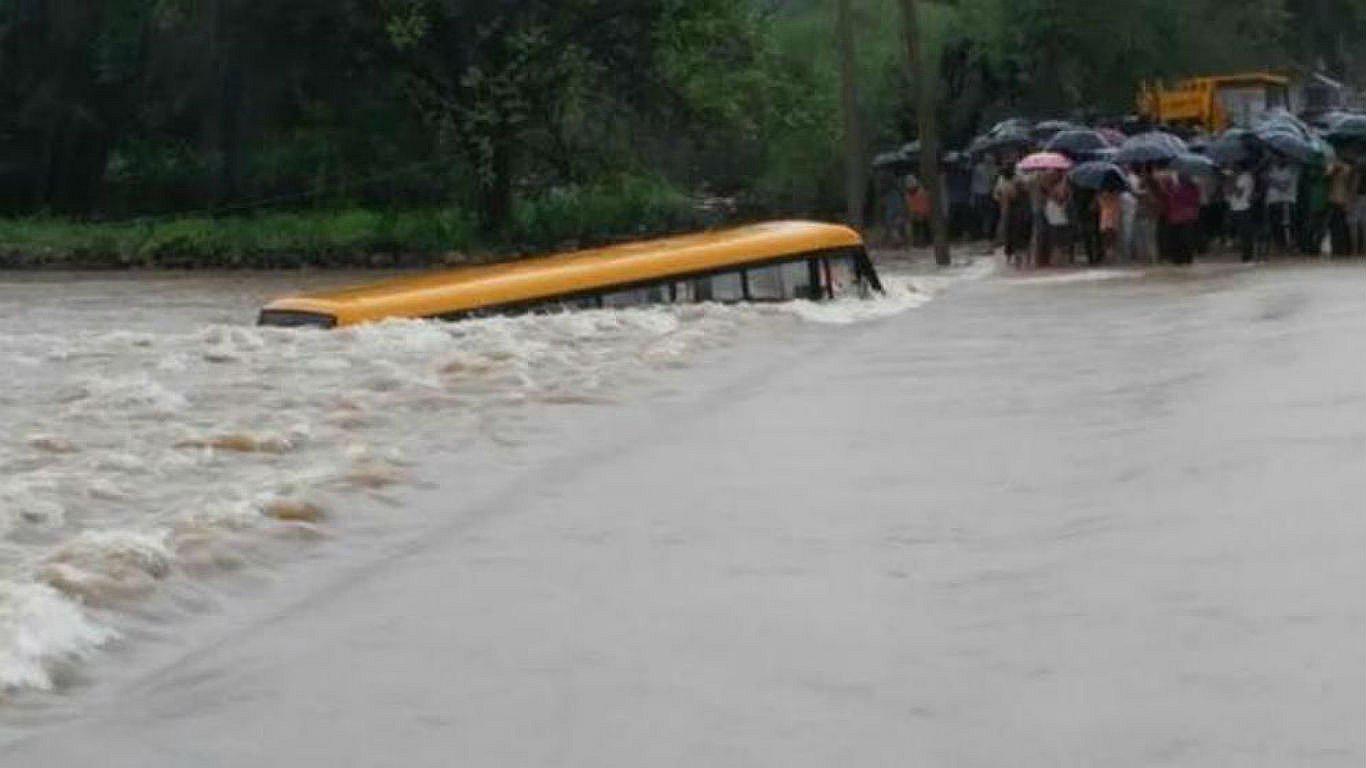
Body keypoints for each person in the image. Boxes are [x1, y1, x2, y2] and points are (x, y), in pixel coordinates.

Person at [1157, 171, 1201, 265]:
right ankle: (1185, 258)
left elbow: (1170, 199)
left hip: (1178, 217)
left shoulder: (1178, 189)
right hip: (1185, 217)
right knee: (1185, 239)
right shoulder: (1192, 188)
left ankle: (1180, 258)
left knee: (1179, 239)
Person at [995, 164, 1032, 267]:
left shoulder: (1003, 184)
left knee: (1010, 235)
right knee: (1021, 235)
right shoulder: (1019, 182)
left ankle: (1013, 258)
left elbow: (997, 197)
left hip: (1010, 213)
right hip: (1020, 212)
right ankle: (1023, 257)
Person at [1264, 158, 1300, 256]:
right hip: (1272, 200)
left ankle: (1290, 246)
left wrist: (1272, 181)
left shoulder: (1292, 170)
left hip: (1286, 200)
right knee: (1274, 225)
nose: (1277, 160)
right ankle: (1279, 246)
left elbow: (1284, 186)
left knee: (1287, 225)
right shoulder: (1272, 169)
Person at [1225, 165, 1257, 263]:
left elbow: (1239, 194)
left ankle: (1247, 256)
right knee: (1240, 233)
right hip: (1234, 207)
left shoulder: (1245, 177)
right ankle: (1245, 254)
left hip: (1243, 208)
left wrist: (1232, 180)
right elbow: (1228, 193)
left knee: (1245, 234)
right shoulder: (1236, 177)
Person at [1326, 160, 1355, 257]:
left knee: (1342, 227)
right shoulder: (1332, 167)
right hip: (1333, 200)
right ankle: (1336, 248)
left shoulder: (1347, 169)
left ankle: (1343, 249)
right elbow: (1327, 175)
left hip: (1342, 201)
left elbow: (1349, 176)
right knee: (1334, 227)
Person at [970, 155, 999, 241]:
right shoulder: (980, 168)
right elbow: (989, 181)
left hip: (984, 194)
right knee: (985, 214)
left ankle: (985, 233)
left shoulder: (991, 168)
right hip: (983, 194)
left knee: (986, 215)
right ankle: (984, 233)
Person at [1097, 187, 1121, 264]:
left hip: (1109, 217)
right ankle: (1110, 254)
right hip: (1109, 217)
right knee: (1110, 237)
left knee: (1109, 237)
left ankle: (1110, 254)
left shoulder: (1110, 197)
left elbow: (1100, 203)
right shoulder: (1115, 196)